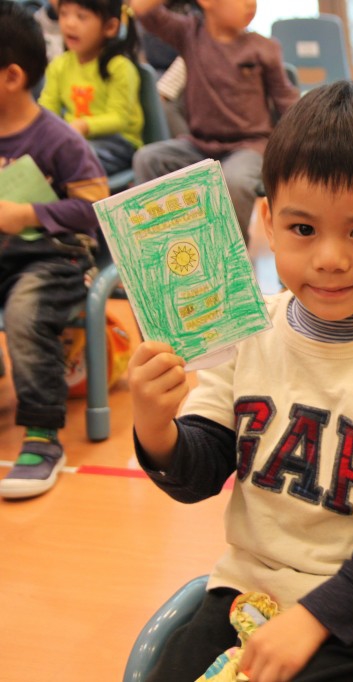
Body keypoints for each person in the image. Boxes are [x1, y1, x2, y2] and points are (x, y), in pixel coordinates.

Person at [127, 81, 353, 681]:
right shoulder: (244, 331)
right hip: (251, 591)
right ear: (268, 221)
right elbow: (199, 473)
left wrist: (315, 618)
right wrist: (155, 427)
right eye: (303, 229)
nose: (329, 258)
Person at [0, 0, 110, 499]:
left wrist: (29, 214)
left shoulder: (57, 139)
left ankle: (43, 436)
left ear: (12, 77)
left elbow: (95, 205)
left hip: (54, 259)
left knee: (24, 311)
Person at [129, 0, 298, 240]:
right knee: (148, 159)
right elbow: (141, 8)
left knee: (234, 181)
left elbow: (286, 100)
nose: (250, 4)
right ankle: (168, 246)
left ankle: (232, 252)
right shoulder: (189, 34)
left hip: (249, 146)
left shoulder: (263, 47)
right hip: (199, 145)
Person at [38, 0, 142, 176]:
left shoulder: (119, 67)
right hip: (73, 139)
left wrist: (83, 126)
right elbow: (48, 108)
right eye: (64, 14)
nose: (69, 23)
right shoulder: (59, 65)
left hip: (118, 144)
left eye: (81, 17)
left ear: (109, 27)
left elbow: (119, 118)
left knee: (70, 158)